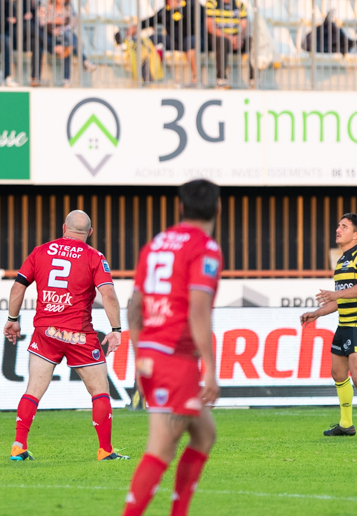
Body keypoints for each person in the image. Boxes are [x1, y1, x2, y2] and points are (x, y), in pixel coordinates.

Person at [123, 180, 223, 516]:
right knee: (160, 450)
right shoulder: (205, 248)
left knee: (205, 434)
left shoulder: (155, 245)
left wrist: (140, 358)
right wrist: (210, 369)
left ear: (180, 207)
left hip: (153, 354)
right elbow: (198, 310)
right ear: (217, 209)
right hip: (174, 360)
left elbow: (134, 306)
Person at [4, 208, 124, 461]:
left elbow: (18, 288)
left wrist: (13, 320)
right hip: (79, 334)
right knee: (99, 391)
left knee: (33, 390)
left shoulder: (41, 251)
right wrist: (115, 330)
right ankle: (105, 450)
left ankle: (18, 445)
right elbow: (109, 295)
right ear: (89, 232)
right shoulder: (94, 256)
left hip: (46, 331)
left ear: (63, 228)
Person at [299, 213, 357, 438]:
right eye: (338, 226)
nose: (338, 229)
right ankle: (346, 424)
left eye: (344, 227)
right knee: (337, 374)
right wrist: (316, 313)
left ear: (356, 234)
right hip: (344, 325)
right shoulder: (341, 261)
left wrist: (336, 293)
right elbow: (340, 300)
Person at [125, 0, 198, 83]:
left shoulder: (191, 6)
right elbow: (150, 21)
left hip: (189, 40)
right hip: (173, 41)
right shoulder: (165, 12)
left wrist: (180, 8)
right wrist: (135, 28)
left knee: (190, 42)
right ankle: (146, 76)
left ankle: (196, 77)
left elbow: (193, 25)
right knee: (152, 39)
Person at [0, 0, 42, 85]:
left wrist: (16, 20)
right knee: (26, 24)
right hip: (7, 36)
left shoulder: (26, 1)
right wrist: (21, 19)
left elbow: (33, 21)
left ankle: (35, 78)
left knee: (36, 42)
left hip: (22, 38)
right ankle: (53, 45)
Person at [204, 0, 254, 88]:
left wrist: (239, 37)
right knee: (222, 41)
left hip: (236, 39)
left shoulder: (239, 5)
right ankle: (221, 79)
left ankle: (253, 80)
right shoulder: (212, 2)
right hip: (217, 39)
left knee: (252, 42)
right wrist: (230, 37)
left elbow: (244, 26)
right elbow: (210, 27)